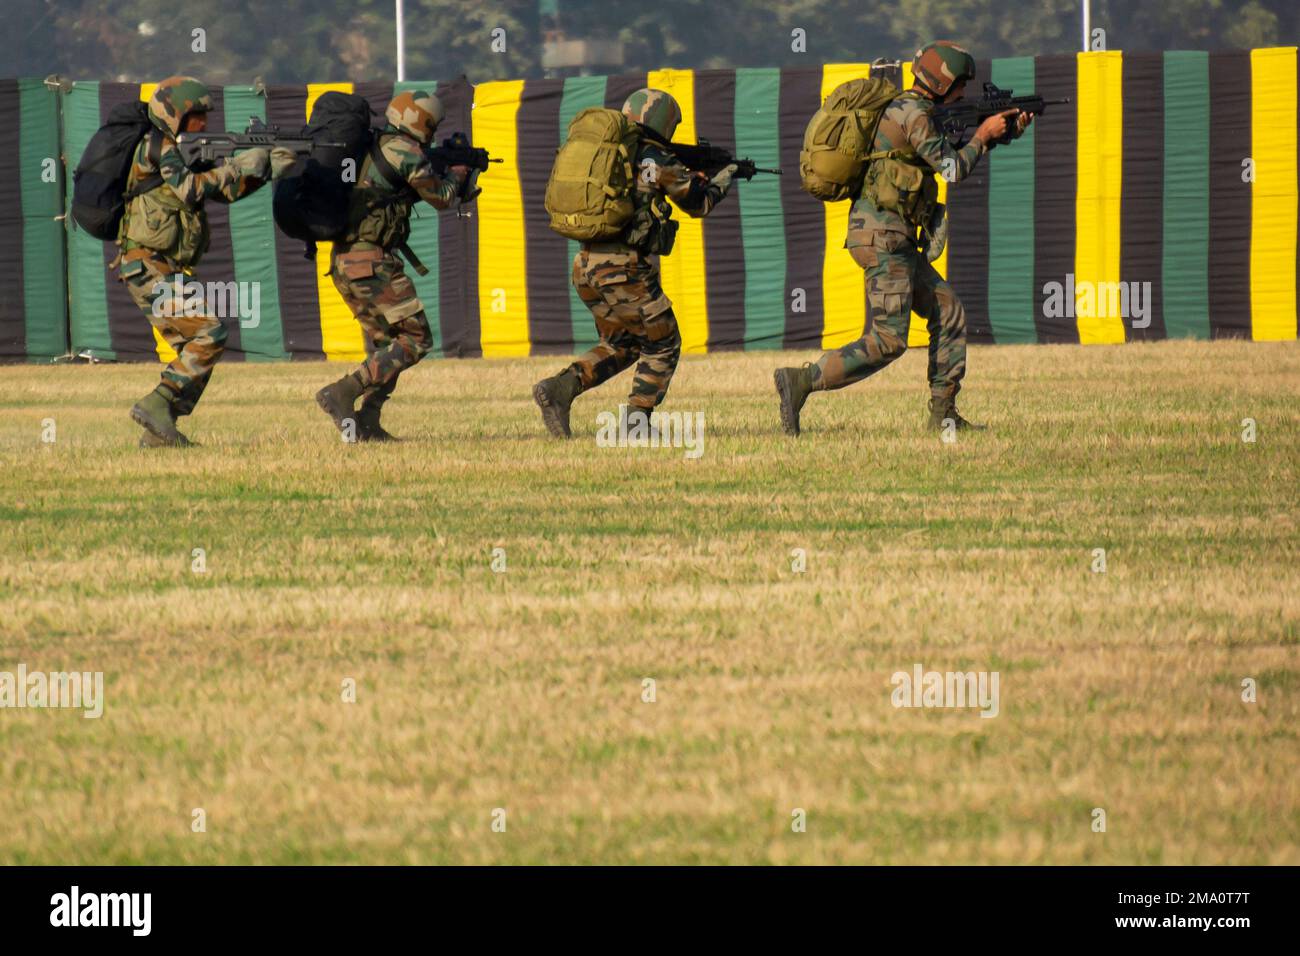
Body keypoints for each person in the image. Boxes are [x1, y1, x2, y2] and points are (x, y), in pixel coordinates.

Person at [774, 42, 1031, 436]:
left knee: (948, 312)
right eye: (960, 85)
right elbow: (952, 169)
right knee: (888, 340)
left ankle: (944, 415)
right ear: (943, 83)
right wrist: (983, 135)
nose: (963, 93)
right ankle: (802, 380)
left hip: (893, 237)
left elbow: (946, 153)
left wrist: (1000, 133)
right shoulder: (913, 114)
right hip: (883, 237)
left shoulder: (914, 110)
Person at [532, 88, 738, 438]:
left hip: (585, 265)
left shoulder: (614, 154)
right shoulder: (654, 156)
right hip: (623, 268)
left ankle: (558, 389)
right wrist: (725, 177)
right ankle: (635, 424)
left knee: (623, 344)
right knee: (664, 341)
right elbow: (698, 204)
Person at [117, 76, 283, 447]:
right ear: (174, 115)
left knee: (195, 345)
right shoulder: (155, 146)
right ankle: (156, 405)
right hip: (147, 265)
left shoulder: (172, 148)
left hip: (158, 266)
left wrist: (262, 168)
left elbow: (222, 191)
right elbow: (191, 189)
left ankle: (160, 432)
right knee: (209, 333)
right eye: (197, 117)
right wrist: (242, 165)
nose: (205, 124)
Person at [314, 90, 468, 442]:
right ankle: (342, 391)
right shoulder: (405, 151)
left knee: (391, 345)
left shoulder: (374, 146)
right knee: (416, 339)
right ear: (422, 122)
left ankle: (367, 422)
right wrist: (457, 175)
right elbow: (442, 198)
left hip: (345, 262)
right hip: (371, 263)